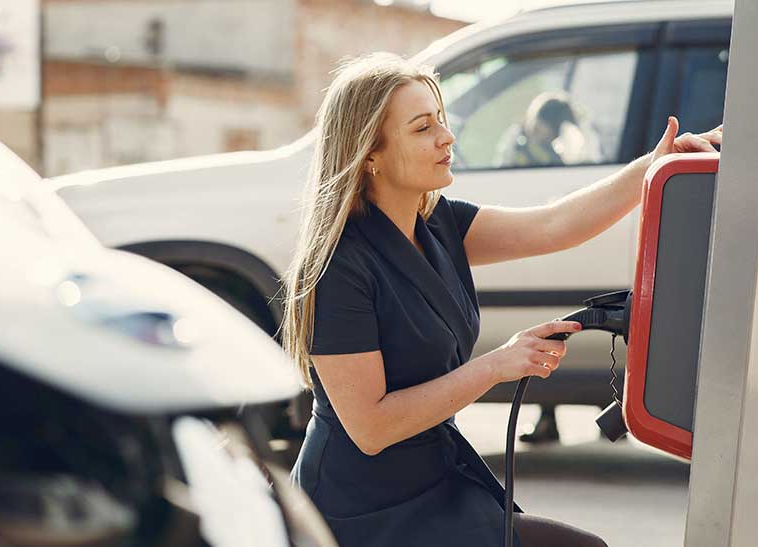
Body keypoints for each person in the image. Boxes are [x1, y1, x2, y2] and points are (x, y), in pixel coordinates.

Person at [281, 52, 721, 547]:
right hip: (359, 510)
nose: (447, 137)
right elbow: (371, 427)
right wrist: (499, 364)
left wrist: (655, 165)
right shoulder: (339, 265)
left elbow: (556, 225)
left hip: (435, 480)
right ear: (370, 154)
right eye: (423, 127)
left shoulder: (439, 224)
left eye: (441, 120)